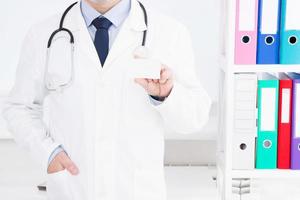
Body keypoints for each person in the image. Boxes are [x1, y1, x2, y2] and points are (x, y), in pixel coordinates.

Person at [2, 0, 212, 199]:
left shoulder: (169, 33)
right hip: (73, 189)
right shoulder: (44, 34)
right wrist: (48, 153)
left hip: (137, 192)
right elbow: (19, 107)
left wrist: (166, 94)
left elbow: (195, 117)